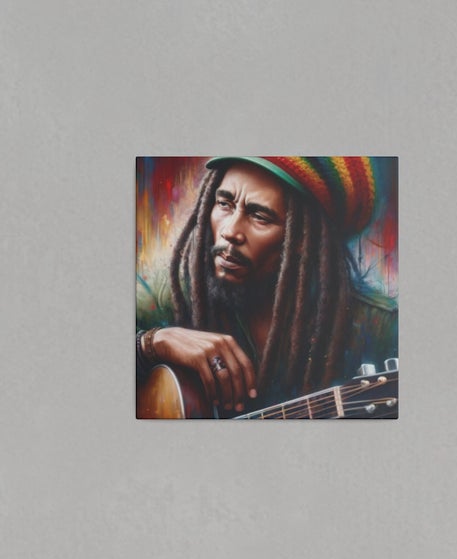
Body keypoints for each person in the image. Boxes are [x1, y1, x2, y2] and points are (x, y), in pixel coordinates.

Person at [136, 156, 397, 414]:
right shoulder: (172, 291)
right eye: (225, 203)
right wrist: (152, 343)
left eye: (259, 216)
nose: (230, 231)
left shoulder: (379, 328)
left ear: (305, 239)